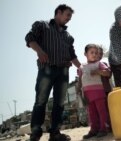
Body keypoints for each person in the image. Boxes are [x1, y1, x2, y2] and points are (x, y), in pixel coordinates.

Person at [25, 4, 81, 141]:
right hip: (47, 69)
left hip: (63, 72)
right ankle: (35, 133)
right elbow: (29, 38)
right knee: (41, 101)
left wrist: (81, 68)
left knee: (60, 103)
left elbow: (72, 55)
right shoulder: (42, 25)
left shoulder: (68, 36)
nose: (69, 19)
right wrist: (40, 51)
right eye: (67, 15)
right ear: (59, 12)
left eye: (70, 17)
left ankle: (55, 133)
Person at [78, 44, 110, 139]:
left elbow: (107, 72)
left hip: (98, 92)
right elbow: (80, 79)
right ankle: (93, 130)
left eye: (96, 53)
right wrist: (79, 89)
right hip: (88, 94)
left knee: (101, 111)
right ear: (85, 54)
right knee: (91, 113)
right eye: (92, 52)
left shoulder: (99, 64)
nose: (95, 55)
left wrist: (98, 72)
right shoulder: (82, 66)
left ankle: (103, 129)